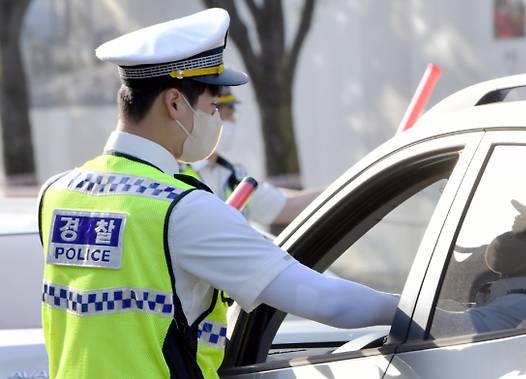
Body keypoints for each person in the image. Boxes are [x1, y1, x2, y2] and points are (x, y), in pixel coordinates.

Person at [38, 9, 398, 379]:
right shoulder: (183, 209)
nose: (217, 120)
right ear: (175, 103)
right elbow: (327, 301)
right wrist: (421, 307)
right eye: (213, 106)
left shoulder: (57, 192)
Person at [431, 181, 526, 337]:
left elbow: (445, 329)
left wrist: (409, 308)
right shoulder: (519, 301)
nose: (509, 237)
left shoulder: (525, 307)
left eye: (524, 233)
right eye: (514, 229)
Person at [181, 87, 320, 226]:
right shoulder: (175, 172)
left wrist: (341, 188)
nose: (233, 121)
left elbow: (289, 206)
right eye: (228, 114)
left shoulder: (231, 175)